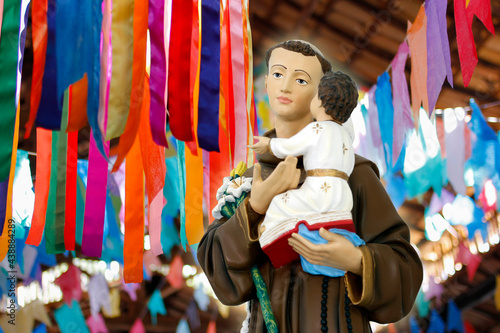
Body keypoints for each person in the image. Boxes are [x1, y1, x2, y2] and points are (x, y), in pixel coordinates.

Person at [197, 40, 423, 332]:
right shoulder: (246, 184)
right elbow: (220, 274)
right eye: (278, 74)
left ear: (320, 94)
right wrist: (255, 208)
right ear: (266, 82)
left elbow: (404, 268)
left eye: (301, 79)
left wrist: (356, 259)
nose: (286, 86)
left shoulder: (352, 173)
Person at [248, 71, 363, 274]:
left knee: (280, 203)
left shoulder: (317, 129)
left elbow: (292, 146)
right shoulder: (346, 135)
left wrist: (269, 144)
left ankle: (275, 245)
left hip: (319, 190)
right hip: (343, 196)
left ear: (320, 101)